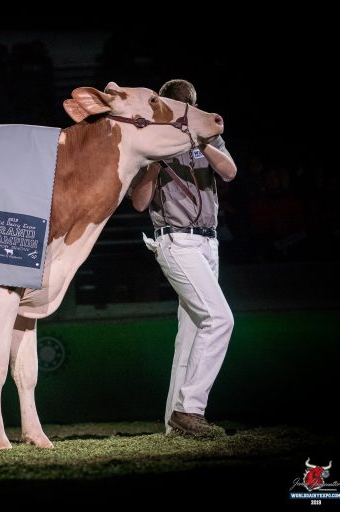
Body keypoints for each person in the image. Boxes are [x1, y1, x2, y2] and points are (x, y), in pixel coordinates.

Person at [130, 79, 237, 437]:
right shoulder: (152, 141)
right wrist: (154, 163)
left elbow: (229, 172)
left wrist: (200, 140)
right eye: (177, 106)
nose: (183, 112)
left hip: (209, 241)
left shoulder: (207, 137)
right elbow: (140, 203)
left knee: (191, 334)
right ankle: (190, 409)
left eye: (187, 106)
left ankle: (174, 425)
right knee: (219, 319)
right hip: (175, 240)